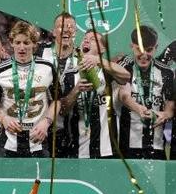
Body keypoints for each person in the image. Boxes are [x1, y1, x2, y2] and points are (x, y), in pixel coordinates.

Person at [0, 21, 59, 158]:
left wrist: (46, 122)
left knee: (40, 174)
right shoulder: (0, 71)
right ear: (11, 43)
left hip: (38, 140)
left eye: (26, 43)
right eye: (18, 42)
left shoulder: (48, 68)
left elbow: (57, 100)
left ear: (34, 44)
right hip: (7, 142)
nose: (22, 47)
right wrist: (3, 119)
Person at [60, 30, 130, 158]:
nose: (86, 40)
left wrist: (98, 60)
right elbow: (62, 110)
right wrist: (75, 91)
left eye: (93, 39)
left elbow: (126, 76)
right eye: (85, 38)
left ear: (102, 49)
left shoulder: (108, 71)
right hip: (77, 151)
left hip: (107, 150)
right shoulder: (70, 74)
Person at [117, 26, 174, 160]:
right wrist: (138, 108)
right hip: (127, 147)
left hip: (157, 146)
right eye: (139, 49)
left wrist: (165, 114)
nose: (144, 55)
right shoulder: (124, 66)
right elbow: (124, 95)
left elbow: (170, 106)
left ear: (156, 47)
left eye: (149, 50)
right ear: (132, 46)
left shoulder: (166, 72)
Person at [36, 12, 78, 156]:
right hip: (41, 130)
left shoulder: (83, 58)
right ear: (53, 32)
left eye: (70, 27)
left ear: (75, 32)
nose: (66, 30)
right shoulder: (39, 52)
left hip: (72, 133)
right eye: (61, 26)